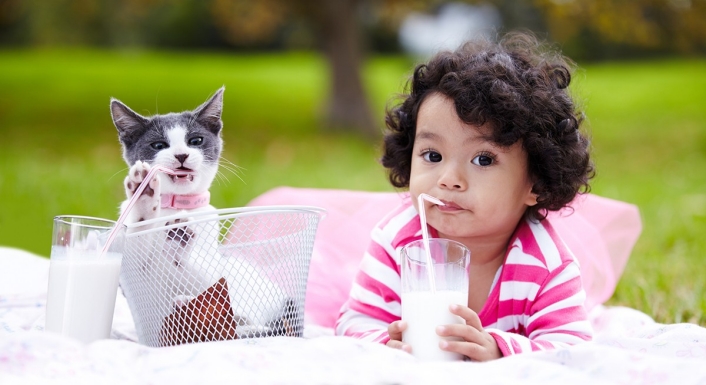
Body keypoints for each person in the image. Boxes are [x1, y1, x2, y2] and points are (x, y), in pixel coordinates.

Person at [335, 31, 595, 361]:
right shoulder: (397, 242)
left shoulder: (545, 264)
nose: (449, 179)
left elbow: (574, 347)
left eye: (483, 159)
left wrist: (498, 350)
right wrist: (385, 344)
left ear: (536, 182)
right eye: (432, 155)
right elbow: (353, 322)